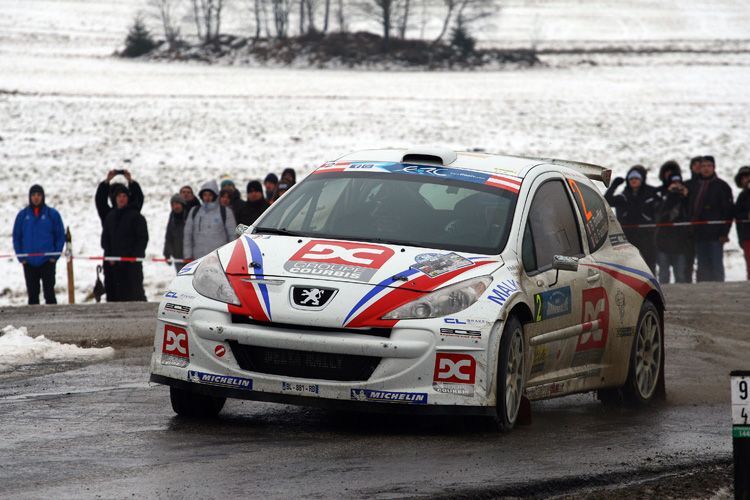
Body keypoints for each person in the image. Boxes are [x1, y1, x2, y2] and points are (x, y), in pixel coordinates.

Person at [95, 169, 145, 301]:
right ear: (114, 199)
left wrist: (131, 182)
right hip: (112, 263)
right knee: (113, 294)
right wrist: (106, 182)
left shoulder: (135, 214)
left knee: (134, 294)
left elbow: (142, 239)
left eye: (124, 196)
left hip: (131, 263)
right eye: (118, 196)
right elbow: (100, 201)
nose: (121, 199)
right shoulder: (109, 215)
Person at [12, 185, 66, 305]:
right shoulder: (22, 215)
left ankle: (53, 320)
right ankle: (32, 323)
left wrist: (54, 256)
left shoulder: (52, 214)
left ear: (43, 197)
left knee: (49, 294)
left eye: (38, 195)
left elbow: (60, 236)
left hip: (47, 261)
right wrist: (22, 257)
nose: (36, 198)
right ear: (30, 197)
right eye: (33, 195)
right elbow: (17, 237)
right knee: (32, 295)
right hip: (29, 262)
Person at [604, 165, 659, 272]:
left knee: (649, 263)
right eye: (631, 178)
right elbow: (607, 201)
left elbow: (660, 206)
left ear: (641, 180)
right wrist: (614, 185)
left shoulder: (650, 194)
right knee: (629, 264)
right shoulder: (623, 196)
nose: (634, 180)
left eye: (636, 178)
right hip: (628, 235)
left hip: (647, 235)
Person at [687, 156, 733, 282]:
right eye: (703, 166)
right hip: (699, 234)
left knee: (716, 265)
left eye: (709, 166)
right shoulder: (694, 186)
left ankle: (720, 295)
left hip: (716, 235)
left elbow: (728, 212)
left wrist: (724, 232)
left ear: (714, 167)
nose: (706, 169)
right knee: (702, 266)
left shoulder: (722, 186)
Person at [654, 162, 692, 283]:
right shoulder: (661, 193)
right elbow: (660, 214)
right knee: (664, 274)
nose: (676, 184)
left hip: (681, 241)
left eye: (678, 181)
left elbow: (691, 212)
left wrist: (686, 196)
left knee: (680, 274)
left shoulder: (687, 192)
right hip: (663, 240)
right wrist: (670, 195)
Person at [184, 180, 237, 261]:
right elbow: (188, 234)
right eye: (205, 195)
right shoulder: (194, 211)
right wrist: (187, 255)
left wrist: (232, 255)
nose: (207, 197)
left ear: (215, 196)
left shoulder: (225, 212)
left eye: (210, 195)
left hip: (220, 259)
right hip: (198, 259)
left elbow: (232, 235)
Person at [163, 194, 188, 273]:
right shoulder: (172, 218)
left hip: (190, 257)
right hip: (178, 257)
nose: (175, 206)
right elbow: (169, 236)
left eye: (177, 203)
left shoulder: (189, 216)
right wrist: (167, 253)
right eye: (173, 204)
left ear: (182, 204)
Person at [734, 166, 750, 279]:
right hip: (747, 235)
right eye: (743, 178)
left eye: (748, 176)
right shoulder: (742, 196)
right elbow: (737, 215)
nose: (746, 180)